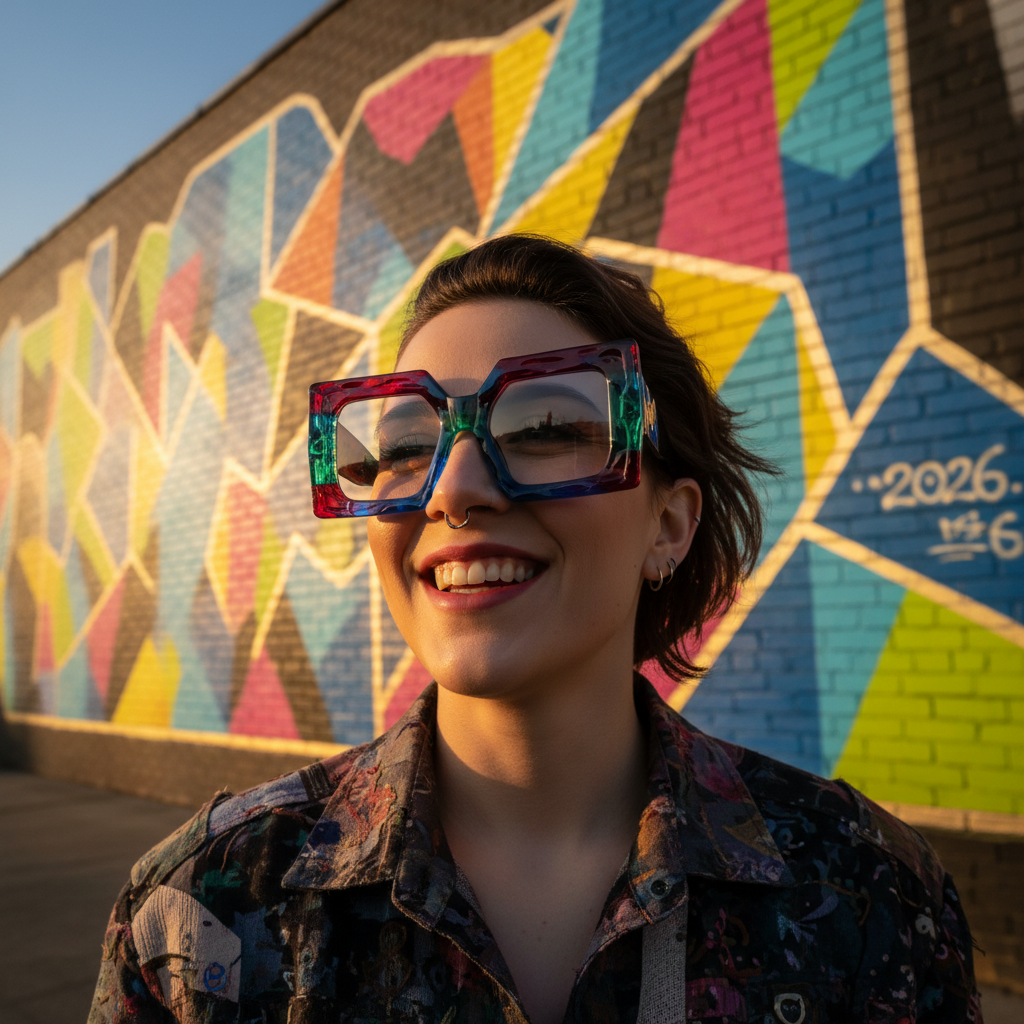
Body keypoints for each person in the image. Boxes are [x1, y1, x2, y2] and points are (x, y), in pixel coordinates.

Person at [89, 235, 981, 1024]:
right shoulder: (202, 916)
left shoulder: (870, 900)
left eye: (547, 424)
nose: (453, 488)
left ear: (668, 525)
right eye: (404, 442)